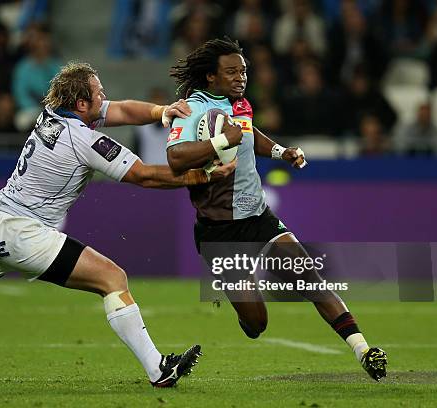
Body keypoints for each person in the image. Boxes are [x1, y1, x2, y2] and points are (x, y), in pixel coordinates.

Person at [0, 62, 238, 388]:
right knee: (112, 278)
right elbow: (145, 176)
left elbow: (120, 110)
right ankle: (158, 369)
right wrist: (201, 177)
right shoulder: (84, 139)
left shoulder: (53, 114)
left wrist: (161, 112)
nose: (105, 99)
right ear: (82, 103)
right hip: (26, 233)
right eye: (98, 93)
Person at [165, 38, 388, 381]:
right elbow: (175, 159)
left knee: (309, 277)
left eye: (243, 70)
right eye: (231, 71)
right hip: (219, 230)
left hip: (259, 217)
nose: (240, 77)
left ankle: (363, 349)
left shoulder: (239, 105)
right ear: (210, 77)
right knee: (257, 324)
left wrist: (281, 151)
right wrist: (222, 142)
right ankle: (241, 298)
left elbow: (248, 132)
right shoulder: (191, 108)